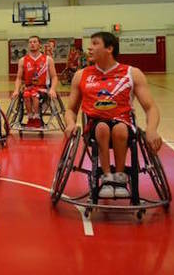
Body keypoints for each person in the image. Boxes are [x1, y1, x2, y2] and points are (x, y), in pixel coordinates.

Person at [64, 32, 162, 199]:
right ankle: (107, 178)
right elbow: (71, 109)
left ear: (109, 48)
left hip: (123, 122)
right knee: (102, 128)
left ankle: (120, 177)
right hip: (94, 124)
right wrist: (70, 124)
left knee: (120, 130)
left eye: (95, 43)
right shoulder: (81, 75)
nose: (90, 47)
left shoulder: (132, 73)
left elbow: (151, 107)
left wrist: (152, 129)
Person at [12, 35, 59, 128]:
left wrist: (53, 89)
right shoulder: (22, 60)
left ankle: (37, 117)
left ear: (39, 45)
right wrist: (16, 90)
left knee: (34, 94)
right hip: (28, 88)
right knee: (26, 94)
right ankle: (30, 118)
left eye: (34, 42)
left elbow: (54, 77)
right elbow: (18, 78)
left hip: (43, 88)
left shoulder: (48, 59)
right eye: (30, 42)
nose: (32, 44)